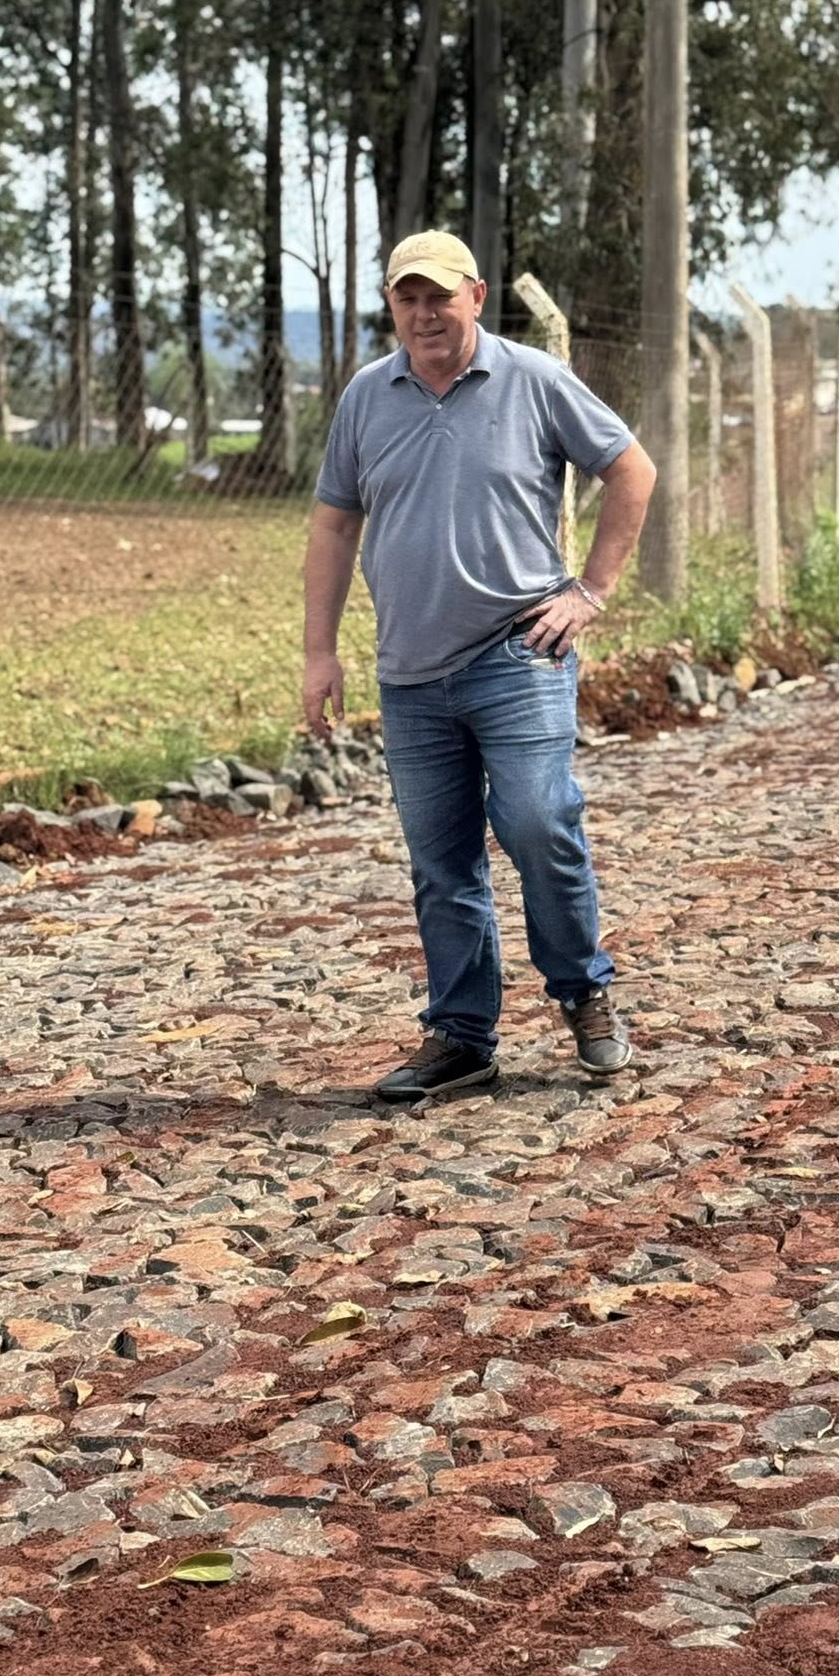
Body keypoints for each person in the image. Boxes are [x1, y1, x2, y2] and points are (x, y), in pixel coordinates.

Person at [303, 230, 657, 1103]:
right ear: (393, 306)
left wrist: (591, 591)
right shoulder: (366, 396)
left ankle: (583, 991)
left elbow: (631, 469)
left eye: (440, 296)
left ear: (477, 296)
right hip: (409, 673)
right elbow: (335, 523)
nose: (425, 314)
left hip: (520, 652)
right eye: (408, 298)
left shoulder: (532, 379)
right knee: (442, 861)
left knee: (537, 820)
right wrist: (318, 650)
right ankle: (462, 1038)